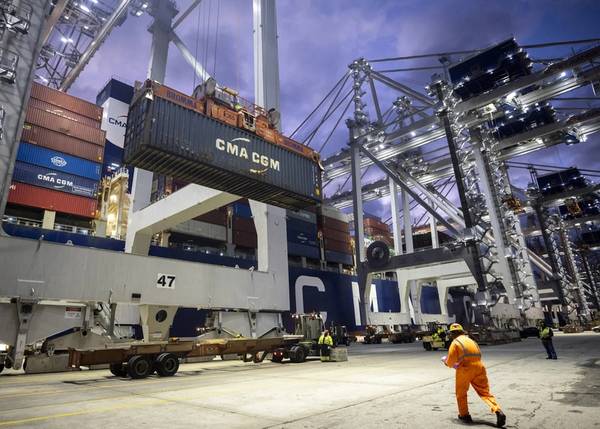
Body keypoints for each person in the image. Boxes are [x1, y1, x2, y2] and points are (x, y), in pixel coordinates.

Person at [442, 323, 506, 428]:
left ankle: (465, 415)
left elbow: (450, 362)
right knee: (485, 393)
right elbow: (478, 355)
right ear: (462, 332)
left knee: (461, 393)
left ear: (452, 334)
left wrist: (445, 361)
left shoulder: (455, 343)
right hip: (479, 367)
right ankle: (498, 410)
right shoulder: (472, 341)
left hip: (465, 370)